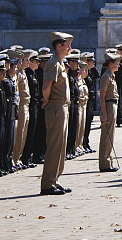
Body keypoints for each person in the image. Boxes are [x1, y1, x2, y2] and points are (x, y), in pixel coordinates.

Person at [40, 32, 73, 196]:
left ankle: (54, 180)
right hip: (55, 107)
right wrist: (46, 100)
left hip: (62, 107)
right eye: (67, 45)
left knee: (61, 146)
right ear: (58, 46)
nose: (69, 48)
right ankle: (47, 183)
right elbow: (46, 87)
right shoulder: (53, 63)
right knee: (54, 146)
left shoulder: (60, 63)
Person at [98, 53, 120, 173]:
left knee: (110, 134)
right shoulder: (106, 76)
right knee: (107, 135)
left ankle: (108, 160)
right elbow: (102, 95)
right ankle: (105, 163)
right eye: (116, 63)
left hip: (113, 104)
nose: (118, 65)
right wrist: (104, 112)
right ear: (110, 64)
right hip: (108, 105)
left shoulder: (111, 75)